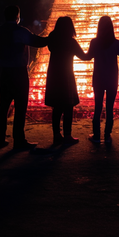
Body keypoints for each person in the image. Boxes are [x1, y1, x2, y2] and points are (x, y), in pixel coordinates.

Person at [0, 5, 48, 150]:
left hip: (5, 72)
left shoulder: (0, 31)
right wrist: (52, 37)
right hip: (18, 73)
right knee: (20, 107)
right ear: (17, 16)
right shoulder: (20, 31)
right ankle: (19, 140)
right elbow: (37, 42)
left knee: (3, 106)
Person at [85, 16, 119, 144]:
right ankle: (107, 135)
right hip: (112, 79)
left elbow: (87, 57)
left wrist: (74, 50)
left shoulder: (94, 43)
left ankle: (97, 136)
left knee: (98, 106)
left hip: (98, 78)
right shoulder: (117, 44)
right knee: (110, 107)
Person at [45, 16, 87, 147]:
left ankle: (57, 135)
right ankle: (67, 135)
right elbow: (84, 56)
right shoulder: (71, 42)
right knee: (68, 106)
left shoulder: (52, 38)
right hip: (66, 75)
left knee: (57, 107)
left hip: (54, 75)